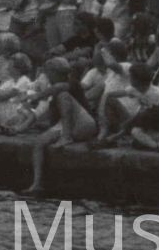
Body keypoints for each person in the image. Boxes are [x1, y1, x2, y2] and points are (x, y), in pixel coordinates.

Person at [20, 58, 102, 193]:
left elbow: (59, 88)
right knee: (38, 142)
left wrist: (36, 96)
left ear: (55, 72)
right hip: (68, 126)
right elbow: (50, 116)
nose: (47, 76)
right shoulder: (53, 92)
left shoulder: (71, 83)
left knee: (63, 95)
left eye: (48, 73)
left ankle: (66, 137)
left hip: (85, 123)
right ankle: (37, 184)